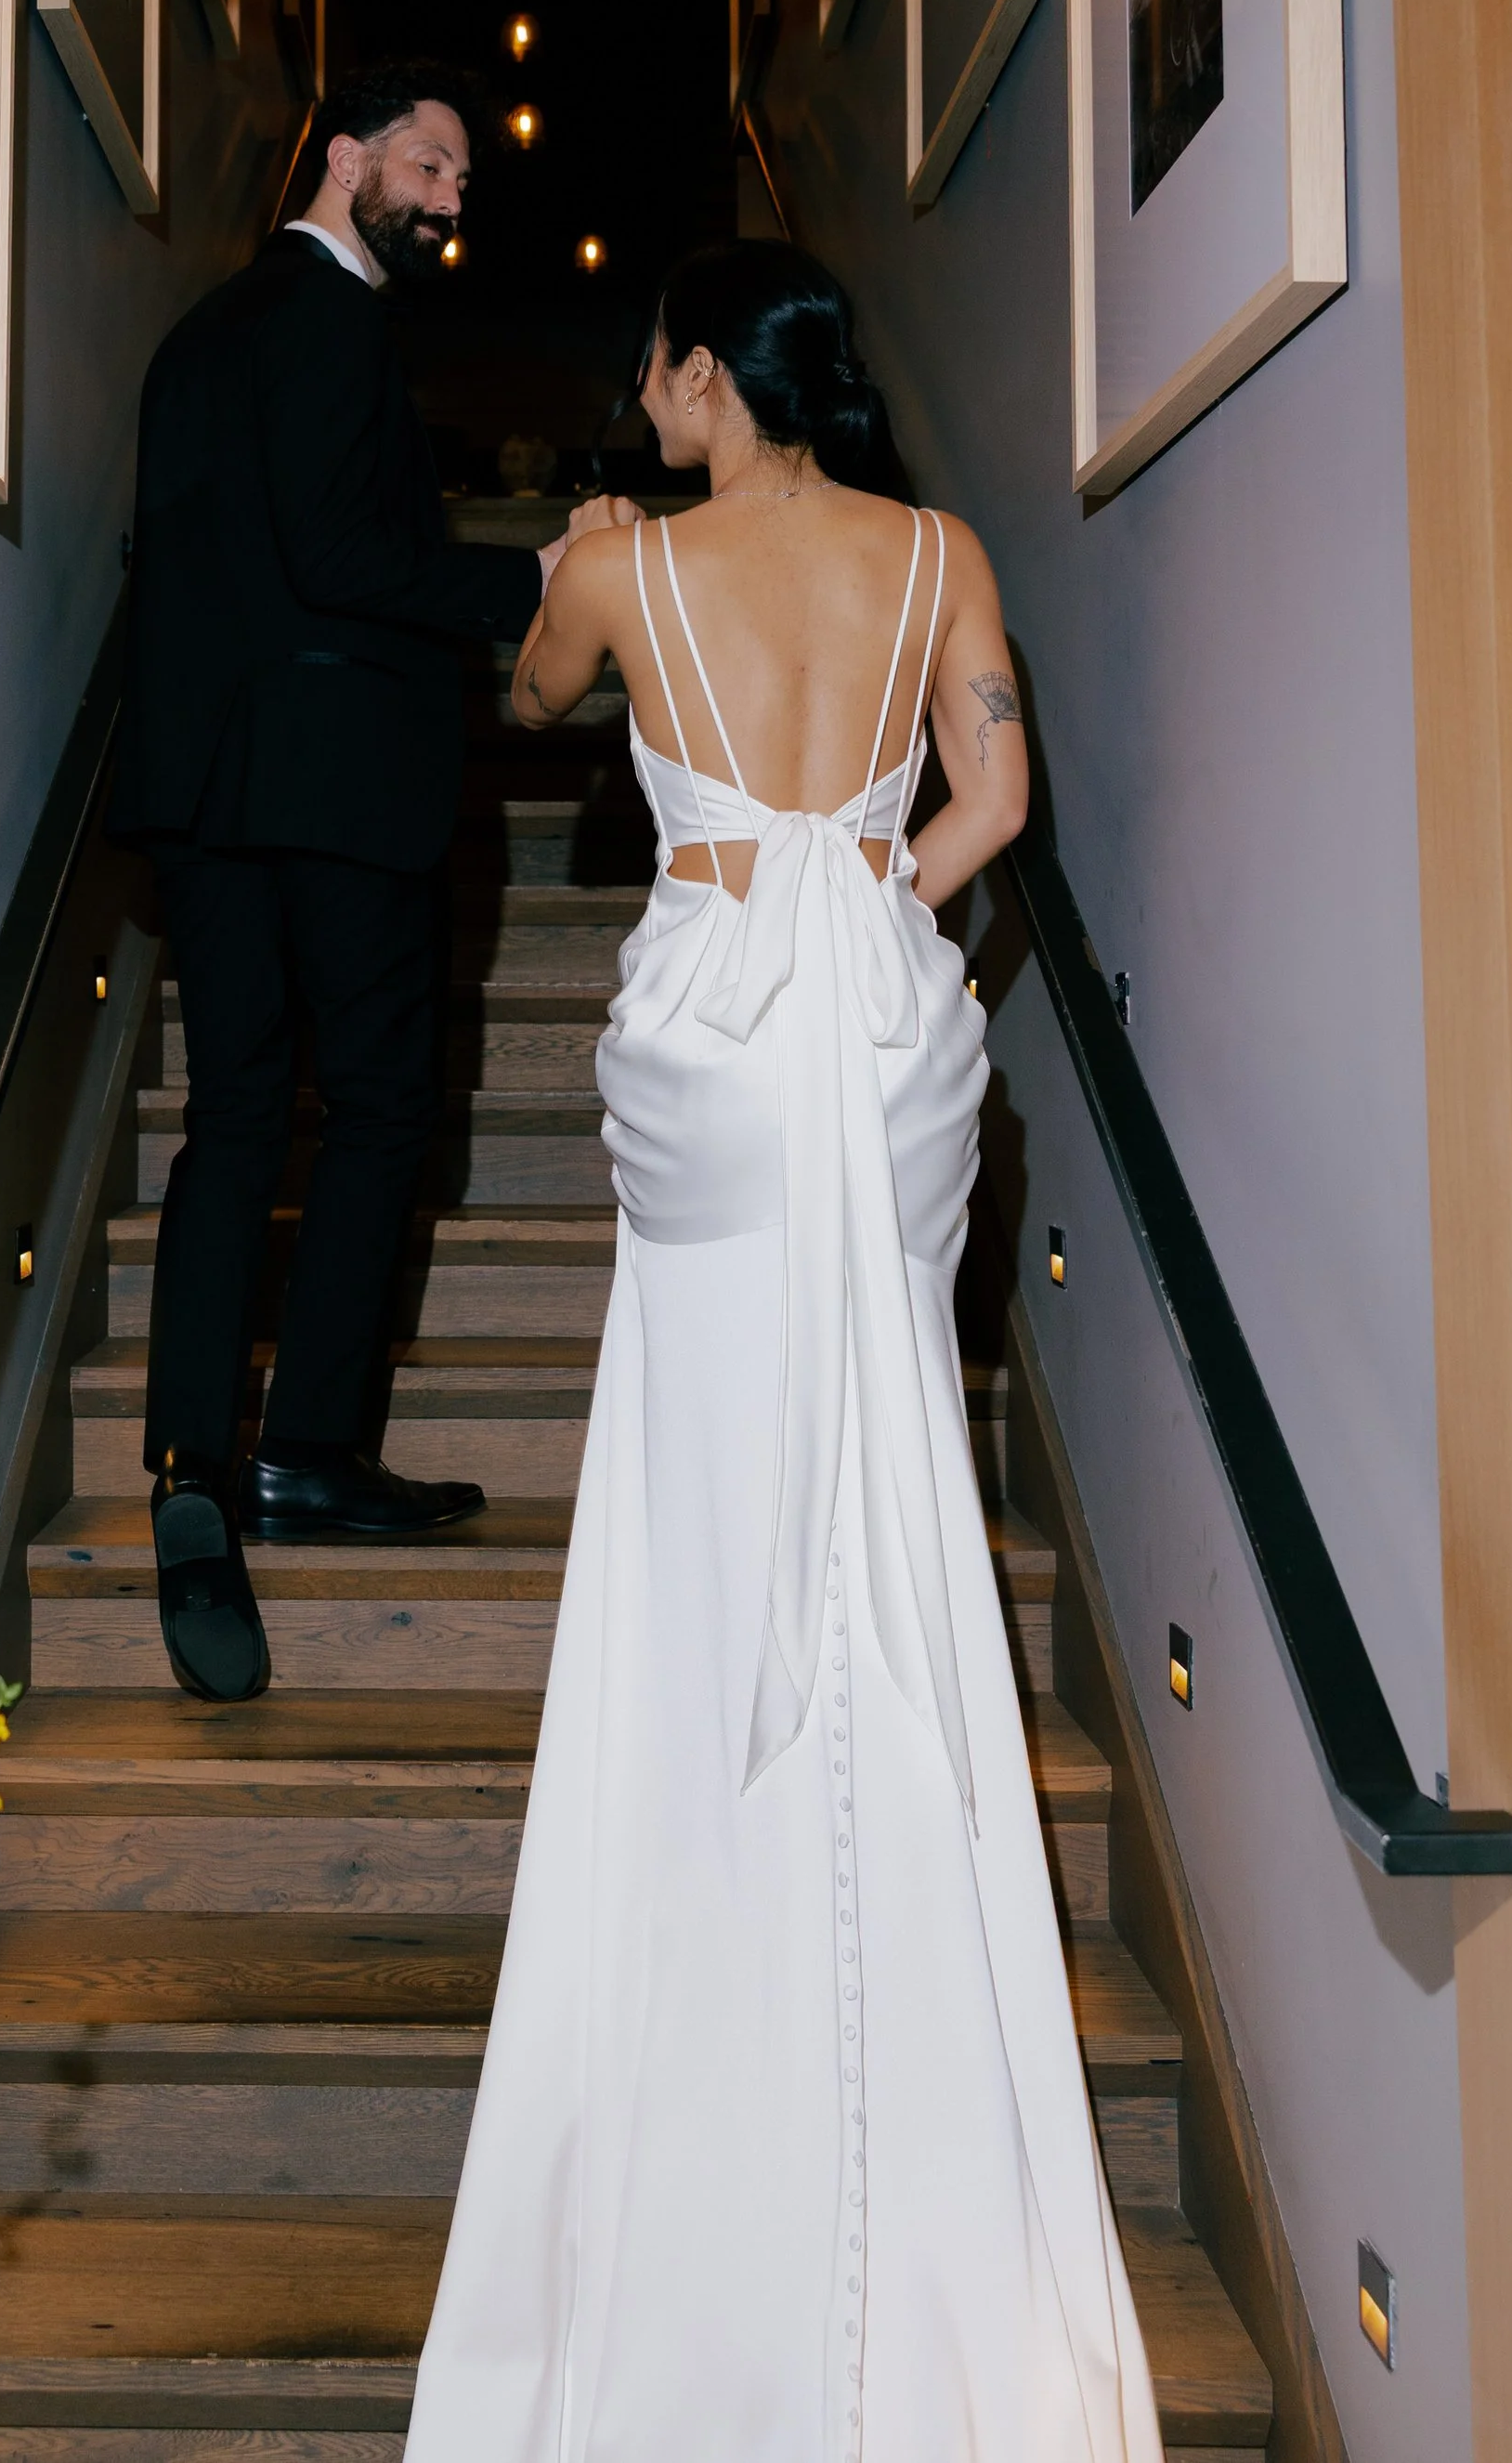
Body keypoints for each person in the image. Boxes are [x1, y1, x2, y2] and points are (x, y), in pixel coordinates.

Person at [404, 243, 1163, 2460]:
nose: (635, 392)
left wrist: (562, 572)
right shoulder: (938, 553)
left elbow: (528, 702)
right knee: (891, 1447)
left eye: (650, 358)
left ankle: (702, 1877)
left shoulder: (627, 560)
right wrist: (865, 896)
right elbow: (992, 811)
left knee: (708, 1460)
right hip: (880, 1023)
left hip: (715, 1037)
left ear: (706, 374)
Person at [108, 60, 632, 1704]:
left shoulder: (197, 337)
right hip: (339, 797)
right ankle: (314, 1444)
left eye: (461, 177)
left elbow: (209, 566)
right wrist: (530, 573)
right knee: (389, 1104)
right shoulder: (334, 329)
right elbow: (342, 561)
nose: (452, 194)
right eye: (429, 162)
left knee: (239, 1115)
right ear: (341, 159)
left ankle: (198, 1456)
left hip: (208, 797)